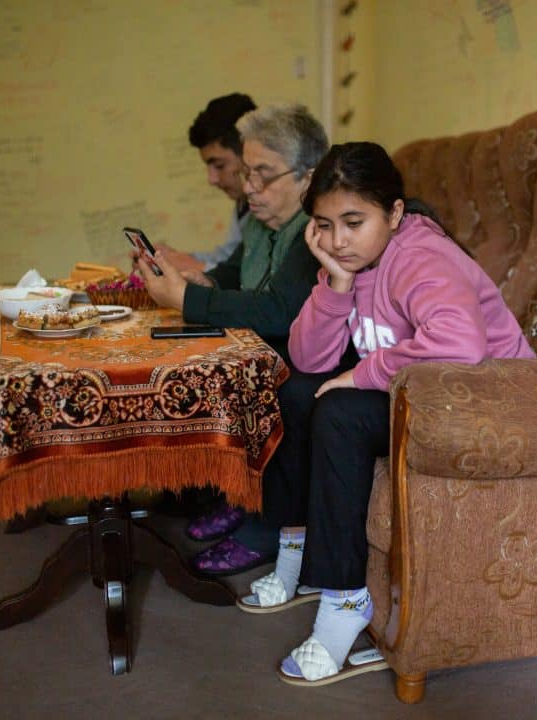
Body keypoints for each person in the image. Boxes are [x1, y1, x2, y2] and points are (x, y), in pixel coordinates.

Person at [236, 142, 537, 686]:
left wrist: (361, 374)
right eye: (324, 226)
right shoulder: (351, 261)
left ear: (395, 214)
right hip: (426, 392)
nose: (338, 240)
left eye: (354, 222)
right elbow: (308, 356)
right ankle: (296, 549)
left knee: (340, 411)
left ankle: (346, 601)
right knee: (297, 389)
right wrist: (336, 280)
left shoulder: (420, 256)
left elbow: (461, 344)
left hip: (486, 398)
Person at [136, 103, 329, 576]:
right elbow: (231, 274)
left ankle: (268, 526)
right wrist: (194, 282)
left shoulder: (314, 230)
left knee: (277, 384)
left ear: (308, 177)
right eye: (246, 174)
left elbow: (280, 311)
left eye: (263, 175)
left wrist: (188, 302)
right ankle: (244, 497)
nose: (248, 189)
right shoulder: (264, 225)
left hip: (312, 355)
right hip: (269, 345)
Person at [155, 92, 256, 274]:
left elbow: (251, 280)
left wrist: (193, 266)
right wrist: (173, 258)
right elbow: (229, 258)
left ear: (249, 153)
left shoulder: (271, 207)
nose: (212, 179)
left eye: (219, 165)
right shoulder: (244, 202)